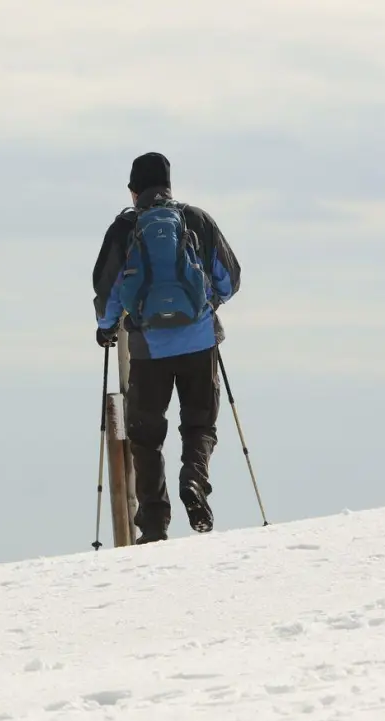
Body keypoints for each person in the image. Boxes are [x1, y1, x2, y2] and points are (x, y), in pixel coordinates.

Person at [92, 152, 242, 542]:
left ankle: (154, 524)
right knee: (199, 424)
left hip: (146, 348)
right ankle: (194, 480)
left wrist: (107, 328)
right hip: (199, 342)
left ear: (133, 189)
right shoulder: (196, 220)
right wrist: (207, 305)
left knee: (145, 435)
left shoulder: (125, 227)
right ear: (170, 185)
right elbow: (230, 278)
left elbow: (107, 289)